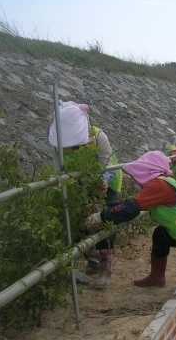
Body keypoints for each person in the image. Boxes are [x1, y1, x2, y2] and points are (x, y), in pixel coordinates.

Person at [85, 151, 176, 340]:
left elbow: (130, 208)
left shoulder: (159, 185)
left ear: (147, 171)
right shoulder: (161, 184)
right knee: (160, 236)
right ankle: (157, 276)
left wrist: (100, 216)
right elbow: (131, 204)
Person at [48, 101, 122, 289]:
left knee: (104, 218)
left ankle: (105, 268)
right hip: (79, 182)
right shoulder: (57, 143)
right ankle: (92, 260)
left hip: (107, 180)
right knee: (78, 218)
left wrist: (101, 184)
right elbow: (60, 171)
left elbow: (106, 165)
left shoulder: (97, 136)